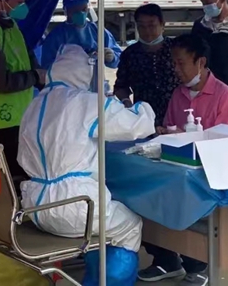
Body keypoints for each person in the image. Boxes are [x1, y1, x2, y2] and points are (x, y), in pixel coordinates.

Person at [18, 45, 155, 253]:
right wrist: (137, 105)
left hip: (36, 206)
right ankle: (105, 272)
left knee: (98, 223)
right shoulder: (85, 102)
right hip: (76, 206)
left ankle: (94, 267)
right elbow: (139, 125)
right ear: (85, 72)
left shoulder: (34, 105)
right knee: (130, 225)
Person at [139, 34, 228, 286]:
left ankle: (199, 264)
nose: (176, 69)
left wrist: (187, 137)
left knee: (178, 194)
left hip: (214, 169)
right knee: (145, 191)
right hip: (181, 165)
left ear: (201, 62)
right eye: (173, 63)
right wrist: (166, 132)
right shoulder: (179, 94)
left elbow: (224, 142)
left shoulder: (223, 95)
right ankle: (166, 259)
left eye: (181, 63)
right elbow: (170, 127)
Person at [0, 0, 46, 180]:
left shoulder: (11, 25)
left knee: (24, 174)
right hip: (0, 122)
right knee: (11, 179)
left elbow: (27, 57)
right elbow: (2, 82)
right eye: (19, 1)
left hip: (21, 117)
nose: (23, 6)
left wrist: (45, 81)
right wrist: (35, 77)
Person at [114, 4, 180, 128]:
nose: (147, 31)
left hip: (177, 116)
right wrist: (127, 104)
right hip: (144, 119)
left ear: (162, 25)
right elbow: (120, 86)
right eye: (142, 26)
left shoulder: (177, 49)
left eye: (151, 25)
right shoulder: (130, 54)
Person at [41, 0, 121, 76]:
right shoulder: (56, 36)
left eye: (84, 9)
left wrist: (112, 57)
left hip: (95, 82)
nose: (81, 13)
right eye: (75, 10)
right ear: (66, 11)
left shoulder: (97, 30)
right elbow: (47, 67)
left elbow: (120, 57)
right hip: (67, 82)